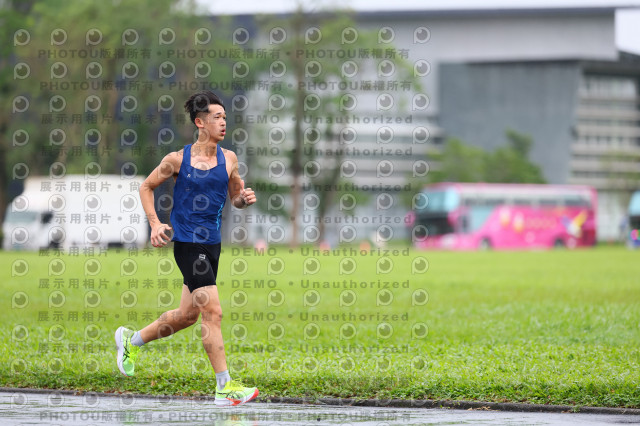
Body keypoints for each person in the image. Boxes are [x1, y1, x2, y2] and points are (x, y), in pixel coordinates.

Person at [115, 91, 258, 406]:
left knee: (187, 316)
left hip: (212, 245)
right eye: (217, 117)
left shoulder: (230, 159)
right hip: (188, 243)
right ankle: (224, 387)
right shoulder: (177, 160)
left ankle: (130, 341)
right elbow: (146, 186)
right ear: (200, 122)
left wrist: (243, 200)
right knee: (213, 312)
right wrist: (155, 223)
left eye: (225, 117)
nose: (223, 122)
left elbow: (235, 197)